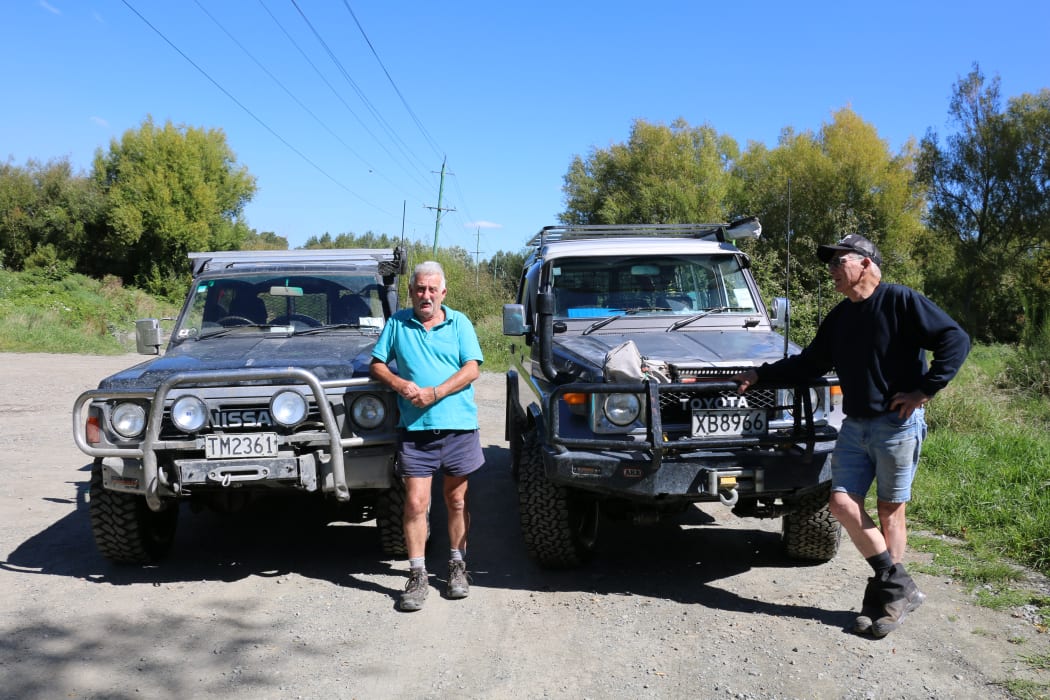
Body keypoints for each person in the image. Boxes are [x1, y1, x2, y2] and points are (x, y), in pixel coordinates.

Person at [734, 234, 970, 638]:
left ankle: (882, 603)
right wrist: (762, 373)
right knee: (841, 503)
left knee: (890, 512)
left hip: (897, 425)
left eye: (837, 262)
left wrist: (925, 390)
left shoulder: (900, 300)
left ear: (865, 264)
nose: (830, 271)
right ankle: (898, 587)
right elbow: (810, 362)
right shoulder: (841, 316)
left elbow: (956, 339)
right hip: (856, 425)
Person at [370, 261, 485, 612]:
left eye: (433, 289)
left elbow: (472, 368)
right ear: (411, 291)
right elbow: (377, 364)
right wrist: (400, 383)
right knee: (416, 503)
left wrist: (435, 393)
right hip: (416, 430)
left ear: (443, 293)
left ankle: (456, 567)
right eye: (420, 289)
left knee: (457, 500)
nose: (426, 295)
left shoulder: (460, 322)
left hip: (458, 427)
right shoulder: (397, 324)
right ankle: (417, 574)